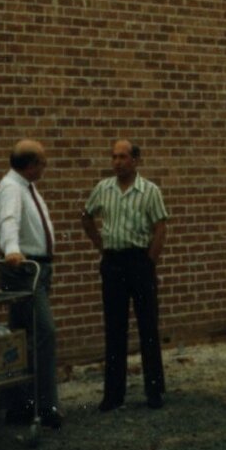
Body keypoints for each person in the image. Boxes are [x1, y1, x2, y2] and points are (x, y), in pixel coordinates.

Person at [81, 138, 169, 411]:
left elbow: (160, 227)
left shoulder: (150, 191)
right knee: (114, 328)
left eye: (123, 157)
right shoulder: (103, 189)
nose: (117, 162)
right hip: (113, 263)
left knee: (148, 327)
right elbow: (86, 217)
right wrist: (101, 246)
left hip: (139, 261)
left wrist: (149, 261)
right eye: (114, 157)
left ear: (135, 160)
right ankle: (113, 395)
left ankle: (154, 391)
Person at [0, 138, 62, 429]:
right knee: (44, 332)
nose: (44, 167)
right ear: (31, 164)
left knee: (20, 337)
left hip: (36, 269)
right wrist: (11, 250)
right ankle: (45, 406)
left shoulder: (26, 187)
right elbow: (8, 220)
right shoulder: (12, 188)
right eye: (42, 163)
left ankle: (18, 405)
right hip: (23, 269)